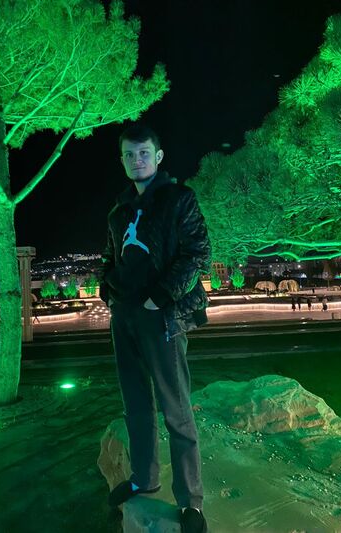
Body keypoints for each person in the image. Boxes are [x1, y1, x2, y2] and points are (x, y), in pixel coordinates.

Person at [99, 124, 211, 532]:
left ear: (158, 156)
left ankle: (190, 501)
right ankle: (143, 478)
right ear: (122, 160)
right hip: (124, 316)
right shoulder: (119, 210)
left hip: (161, 316)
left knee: (176, 410)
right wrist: (107, 289)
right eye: (129, 154)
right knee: (135, 405)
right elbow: (109, 255)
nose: (137, 160)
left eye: (144, 152)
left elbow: (197, 253)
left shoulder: (179, 199)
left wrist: (160, 297)